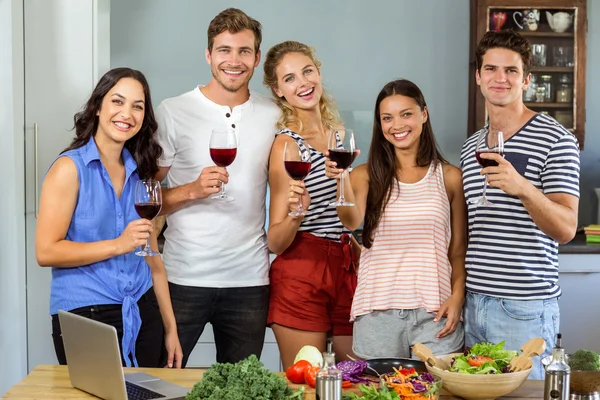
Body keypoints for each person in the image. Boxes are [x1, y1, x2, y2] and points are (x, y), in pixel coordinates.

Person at [153, 8, 280, 367]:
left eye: (244, 51)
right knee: (163, 380)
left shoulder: (273, 114)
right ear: (209, 55)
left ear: (256, 58)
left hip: (249, 280)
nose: (234, 60)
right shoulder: (173, 111)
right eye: (224, 50)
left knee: (239, 388)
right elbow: (144, 198)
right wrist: (191, 190)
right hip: (183, 276)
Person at [35, 67, 183, 368]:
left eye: (137, 106)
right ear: (99, 107)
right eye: (117, 101)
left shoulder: (140, 173)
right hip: (86, 315)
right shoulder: (69, 169)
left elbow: (153, 260)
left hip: (143, 310)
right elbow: (46, 251)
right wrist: (118, 244)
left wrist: (171, 328)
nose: (127, 113)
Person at [460, 30, 580, 380]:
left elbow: (566, 229)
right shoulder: (471, 148)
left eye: (511, 71)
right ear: (478, 77)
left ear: (526, 79)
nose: (501, 78)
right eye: (491, 69)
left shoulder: (556, 139)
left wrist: (524, 189)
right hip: (474, 302)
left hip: (524, 309)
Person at [326, 79, 466, 360]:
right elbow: (351, 221)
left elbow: (458, 252)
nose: (397, 125)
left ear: (424, 114)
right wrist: (341, 177)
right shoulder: (364, 175)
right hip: (378, 313)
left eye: (406, 114)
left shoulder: (450, 177)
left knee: (434, 394)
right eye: (387, 118)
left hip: (435, 313)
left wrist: (457, 298)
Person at [263, 40, 359, 370]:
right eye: (290, 78)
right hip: (302, 269)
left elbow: (349, 220)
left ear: (318, 72)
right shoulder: (287, 145)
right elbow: (275, 240)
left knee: (356, 379)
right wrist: (297, 212)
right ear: (279, 91)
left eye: (307, 71)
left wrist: (341, 179)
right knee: (306, 380)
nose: (303, 83)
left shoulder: (339, 135)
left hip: (345, 268)